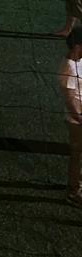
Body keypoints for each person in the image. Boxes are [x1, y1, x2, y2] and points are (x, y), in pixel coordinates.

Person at [60, 30, 82, 207]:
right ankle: (74, 192)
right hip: (77, 121)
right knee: (78, 156)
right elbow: (69, 99)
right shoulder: (69, 67)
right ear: (77, 46)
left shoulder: (80, 60)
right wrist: (80, 118)